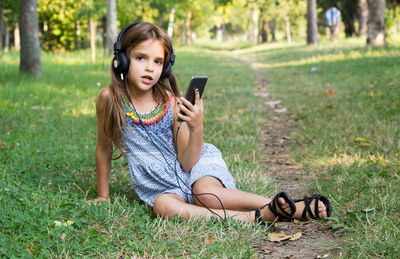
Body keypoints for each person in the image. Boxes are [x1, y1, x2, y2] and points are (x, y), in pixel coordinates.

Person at [93, 21, 332, 224]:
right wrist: (103, 196)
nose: (149, 68)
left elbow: (188, 164)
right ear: (122, 59)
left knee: (204, 193)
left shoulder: (172, 104)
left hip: (195, 167)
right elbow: (104, 148)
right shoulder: (110, 99)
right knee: (163, 207)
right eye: (140, 58)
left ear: (165, 68)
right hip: (162, 187)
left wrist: (196, 126)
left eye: (157, 62)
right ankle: (256, 217)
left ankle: (293, 207)